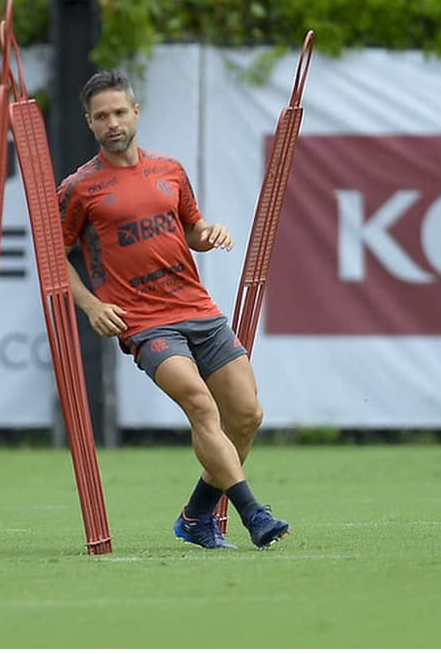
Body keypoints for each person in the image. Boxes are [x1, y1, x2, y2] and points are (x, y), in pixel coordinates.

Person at [58, 69, 291, 550]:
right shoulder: (79, 188)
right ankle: (253, 514)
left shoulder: (169, 170)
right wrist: (90, 305)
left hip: (197, 308)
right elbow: (52, 257)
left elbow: (190, 230)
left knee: (246, 415)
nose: (113, 122)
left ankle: (196, 516)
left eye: (120, 112)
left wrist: (208, 234)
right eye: (101, 116)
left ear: (135, 112)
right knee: (200, 404)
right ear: (90, 123)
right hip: (143, 322)